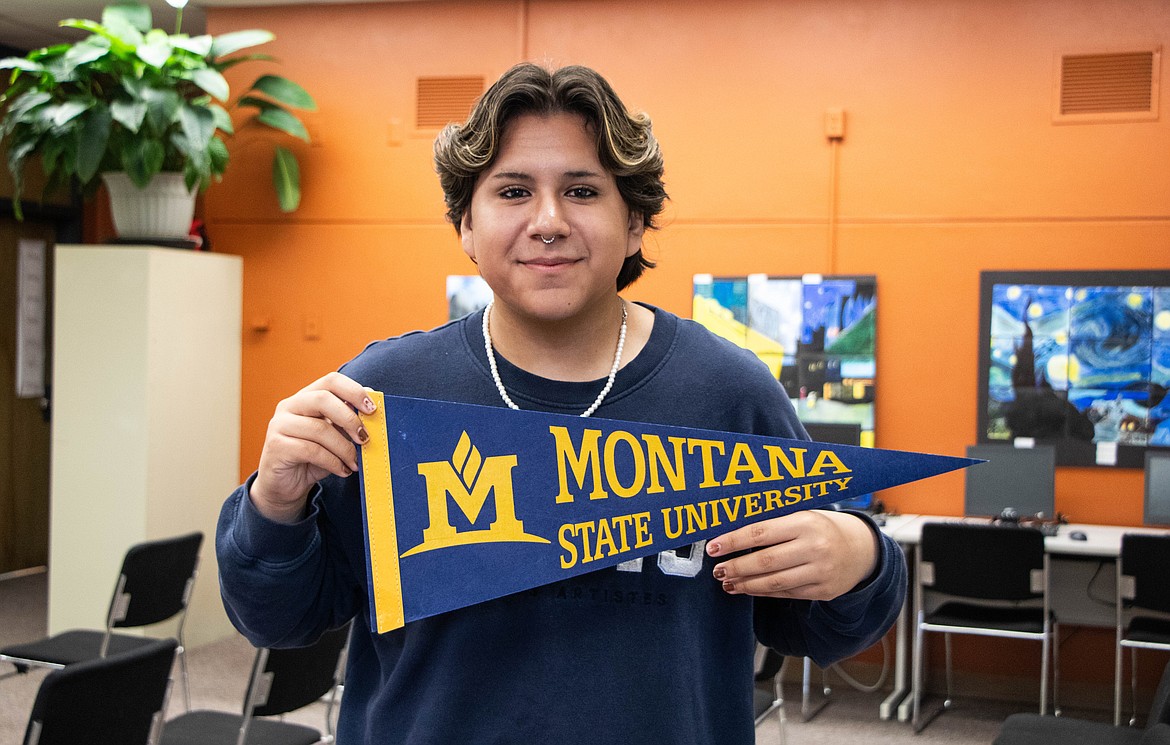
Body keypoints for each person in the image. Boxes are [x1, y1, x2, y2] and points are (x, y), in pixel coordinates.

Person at [217, 62, 907, 745]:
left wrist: (862, 558)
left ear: (634, 223)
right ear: (465, 225)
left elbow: (816, 625)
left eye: (581, 190)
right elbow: (279, 619)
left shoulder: (728, 393)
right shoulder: (383, 392)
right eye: (513, 191)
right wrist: (274, 502)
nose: (548, 221)